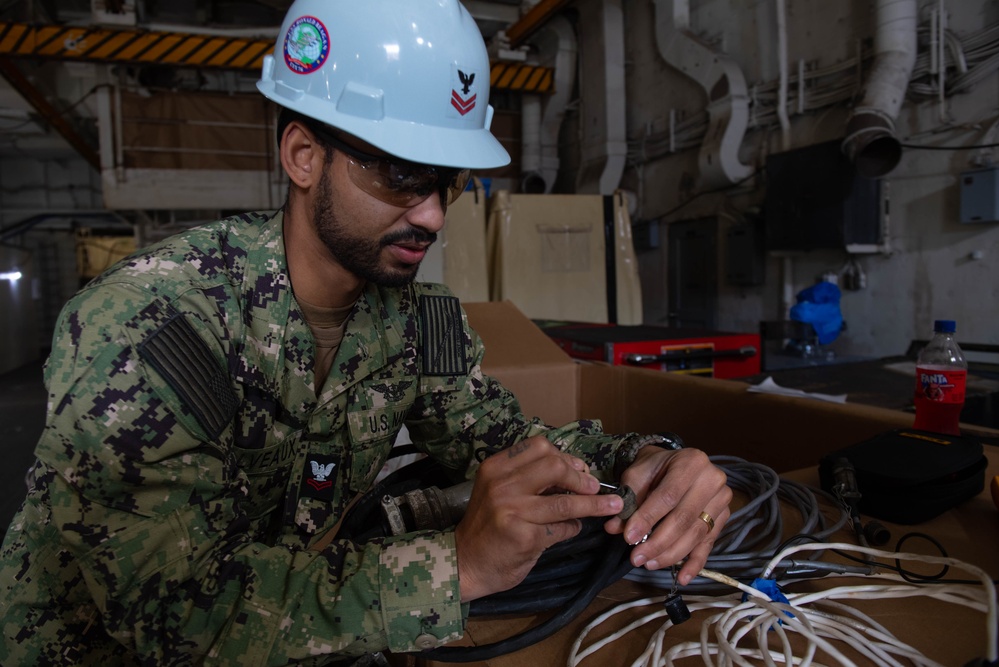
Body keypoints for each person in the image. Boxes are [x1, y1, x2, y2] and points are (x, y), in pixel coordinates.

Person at [0, 0, 732, 664]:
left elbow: (509, 444)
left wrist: (647, 462)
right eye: (398, 174)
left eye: (445, 181)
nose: (433, 216)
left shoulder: (416, 320)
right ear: (303, 156)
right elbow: (170, 611)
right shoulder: (154, 326)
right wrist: (460, 565)